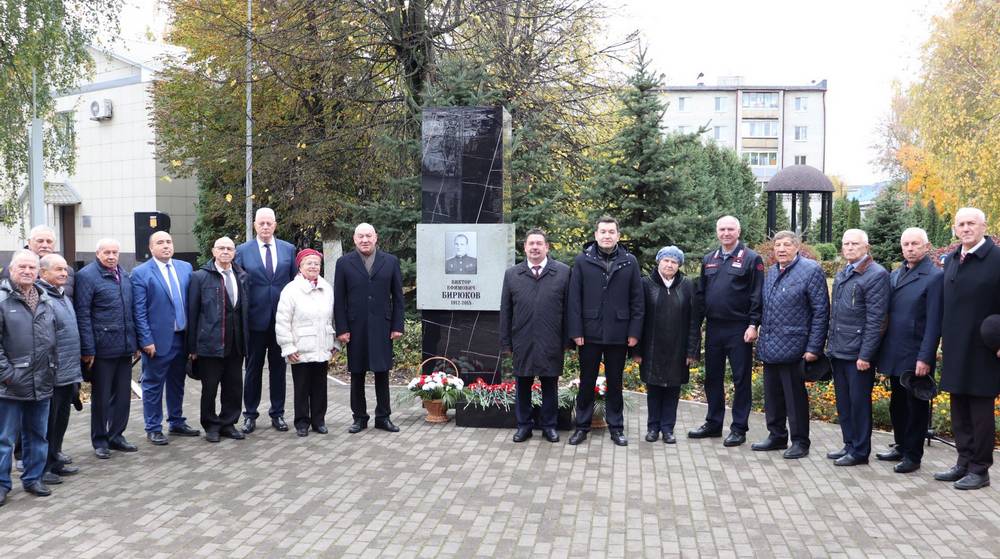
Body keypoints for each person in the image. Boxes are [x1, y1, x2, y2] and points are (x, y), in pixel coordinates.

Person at [935, 208, 1000, 490]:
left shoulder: (997, 259)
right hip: (955, 347)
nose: (966, 228)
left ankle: (980, 469)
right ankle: (963, 461)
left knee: (980, 412)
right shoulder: (951, 260)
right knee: (959, 408)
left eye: (971, 223)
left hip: (985, 349)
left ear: (984, 226)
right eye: (961, 224)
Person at [566, 216, 643, 447]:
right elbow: (574, 299)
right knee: (586, 381)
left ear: (618, 235)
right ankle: (582, 426)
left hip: (619, 333)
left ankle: (616, 427)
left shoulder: (629, 262)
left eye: (611, 232)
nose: (607, 235)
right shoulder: (582, 260)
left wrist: (634, 332)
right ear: (595, 234)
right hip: (589, 333)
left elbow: (637, 300)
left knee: (616, 382)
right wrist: (576, 330)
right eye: (603, 231)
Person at [752, 231, 829, 459]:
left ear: (797, 247)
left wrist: (814, 347)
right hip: (770, 345)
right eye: (778, 245)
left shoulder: (810, 270)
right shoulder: (772, 271)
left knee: (794, 399)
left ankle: (800, 441)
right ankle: (776, 436)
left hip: (795, 348)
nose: (781, 249)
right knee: (773, 396)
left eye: (787, 244)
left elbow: (821, 311)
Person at [689, 215, 764, 447]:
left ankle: (739, 428)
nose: (726, 233)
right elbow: (701, 295)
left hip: (739, 329)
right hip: (714, 328)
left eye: (730, 229)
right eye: (722, 229)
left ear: (738, 232)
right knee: (712, 377)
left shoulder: (752, 259)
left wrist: (753, 324)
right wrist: (697, 325)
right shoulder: (709, 259)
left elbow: (756, 294)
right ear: (717, 232)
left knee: (741, 379)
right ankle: (713, 423)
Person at [874, 228, 942, 474]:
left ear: (926, 246)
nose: (910, 248)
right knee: (898, 404)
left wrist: (925, 356)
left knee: (916, 406)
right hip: (895, 350)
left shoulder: (934, 277)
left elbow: (934, 322)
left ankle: (913, 455)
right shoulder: (895, 274)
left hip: (916, 353)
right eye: (906, 244)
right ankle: (901, 445)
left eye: (915, 244)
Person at [499, 228, 571, 443]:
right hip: (522, 339)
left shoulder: (564, 272)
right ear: (525, 248)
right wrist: (506, 343)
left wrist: (568, 341)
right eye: (531, 243)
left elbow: (569, 310)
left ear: (547, 247)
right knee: (523, 384)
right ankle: (524, 426)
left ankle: (549, 426)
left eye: (539, 243)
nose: (535, 247)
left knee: (550, 384)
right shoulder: (512, 274)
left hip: (552, 340)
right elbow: (506, 311)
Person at [826, 228, 889, 466]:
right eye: (846, 244)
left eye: (855, 244)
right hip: (840, 349)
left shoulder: (875, 274)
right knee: (844, 402)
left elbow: (877, 319)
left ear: (866, 247)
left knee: (859, 404)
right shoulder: (845, 272)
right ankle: (849, 444)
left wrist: (866, 354)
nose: (849, 248)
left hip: (858, 354)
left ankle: (860, 451)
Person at [335, 223, 405, 434]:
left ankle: (383, 417)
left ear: (376, 237)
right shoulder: (344, 263)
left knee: (382, 372)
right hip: (355, 327)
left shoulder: (390, 262)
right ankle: (359, 418)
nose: (364, 240)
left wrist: (397, 325)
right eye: (360, 236)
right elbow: (339, 299)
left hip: (382, 327)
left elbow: (398, 297)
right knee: (357, 373)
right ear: (354, 239)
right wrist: (342, 329)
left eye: (368, 236)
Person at [131, 231, 200, 445]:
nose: (166, 246)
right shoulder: (141, 273)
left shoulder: (185, 268)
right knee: (152, 385)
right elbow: (139, 311)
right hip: (157, 341)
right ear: (151, 248)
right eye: (160, 243)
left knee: (177, 382)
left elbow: (192, 304)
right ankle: (153, 427)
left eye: (169, 242)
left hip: (182, 338)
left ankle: (177, 421)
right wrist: (145, 341)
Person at [0, 250, 58, 503]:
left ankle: (33, 478)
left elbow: (53, 339)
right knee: (4, 439)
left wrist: (52, 367)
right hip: (10, 383)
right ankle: (2, 484)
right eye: (22, 267)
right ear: (11, 269)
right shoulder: (2, 301)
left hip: (42, 379)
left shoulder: (45, 299)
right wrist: (7, 374)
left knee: (37, 434)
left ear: (37, 272)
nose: (27, 271)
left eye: (31, 268)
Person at [75, 239, 139, 459]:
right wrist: (88, 349)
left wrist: (136, 342)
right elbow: (83, 314)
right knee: (101, 397)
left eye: (115, 252)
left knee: (122, 396)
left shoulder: (123, 274)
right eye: (107, 252)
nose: (111, 256)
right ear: (97, 253)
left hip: (124, 346)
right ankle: (100, 440)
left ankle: (116, 435)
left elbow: (130, 310)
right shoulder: (87, 276)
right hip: (101, 348)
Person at [236, 207, 297, 433]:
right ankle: (250, 414)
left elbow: (293, 284)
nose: (265, 227)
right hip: (254, 320)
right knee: (252, 369)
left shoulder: (288, 250)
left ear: (275, 225)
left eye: (268, 223)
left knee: (278, 369)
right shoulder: (242, 251)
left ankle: (277, 414)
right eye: (261, 223)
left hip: (281, 321)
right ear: (254, 225)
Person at [634, 246, 699, 445]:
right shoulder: (645, 283)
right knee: (653, 389)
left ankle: (668, 429)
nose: (669, 265)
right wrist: (636, 350)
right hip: (651, 347)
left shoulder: (687, 286)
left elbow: (693, 320)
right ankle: (653, 428)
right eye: (666, 260)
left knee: (673, 389)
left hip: (677, 348)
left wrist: (691, 351)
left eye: (674, 262)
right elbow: (638, 317)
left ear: (679, 265)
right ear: (658, 262)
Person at [187, 237, 250, 443]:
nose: (225, 251)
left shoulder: (241, 276)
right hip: (210, 343)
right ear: (213, 251)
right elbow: (193, 313)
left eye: (229, 248)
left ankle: (228, 423)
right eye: (221, 248)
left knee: (233, 387)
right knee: (210, 388)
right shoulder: (199, 277)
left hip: (236, 343)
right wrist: (192, 346)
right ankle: (211, 425)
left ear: (234, 253)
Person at [276, 249, 339, 437]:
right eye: (308, 263)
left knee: (320, 386)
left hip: (322, 345)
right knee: (302, 387)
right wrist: (288, 347)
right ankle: (302, 422)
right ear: (300, 266)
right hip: (300, 347)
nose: (313, 266)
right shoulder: (291, 290)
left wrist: (336, 342)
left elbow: (335, 318)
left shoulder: (327, 288)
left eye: (316, 263)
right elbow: (282, 321)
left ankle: (319, 421)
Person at [37, 254, 84, 484]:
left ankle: (55, 458)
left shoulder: (62, 294)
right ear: (43, 273)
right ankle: (43, 468)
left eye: (65, 269)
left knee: (61, 419)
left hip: (68, 370)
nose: (64, 274)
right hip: (52, 372)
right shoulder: (41, 296)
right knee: (48, 422)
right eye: (58, 270)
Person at [0, 224, 74, 298]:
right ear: (29, 242)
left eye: (49, 241)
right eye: (40, 241)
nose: (45, 245)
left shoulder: (68, 271)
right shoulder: (14, 269)